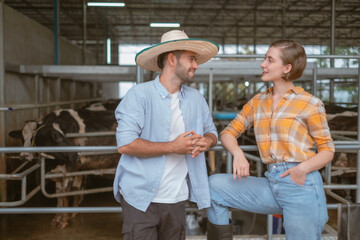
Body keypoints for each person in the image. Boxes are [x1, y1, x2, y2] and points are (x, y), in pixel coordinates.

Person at [206, 40, 335, 240]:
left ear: (287, 68)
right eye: (265, 58)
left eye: (269, 60)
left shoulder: (310, 103)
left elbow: (327, 150)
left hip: (300, 184)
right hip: (271, 182)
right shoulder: (258, 102)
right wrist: (238, 154)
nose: (262, 64)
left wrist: (301, 169)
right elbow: (228, 132)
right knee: (214, 186)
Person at [113, 29, 219, 240]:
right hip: (141, 198)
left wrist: (206, 141)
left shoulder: (196, 98)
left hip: (177, 197)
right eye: (191, 59)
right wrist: (173, 147)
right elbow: (125, 144)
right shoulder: (139, 95)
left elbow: (212, 132)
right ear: (172, 59)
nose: (196, 66)